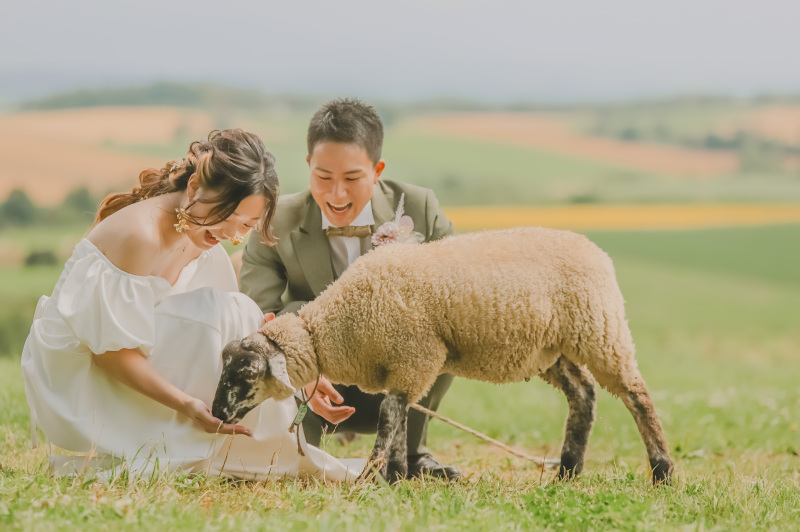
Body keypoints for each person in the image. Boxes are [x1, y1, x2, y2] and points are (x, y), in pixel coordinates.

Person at [21, 129, 362, 481]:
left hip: (139, 351)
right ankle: (221, 451)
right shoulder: (141, 236)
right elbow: (109, 353)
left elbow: (236, 334)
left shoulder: (200, 231)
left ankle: (252, 453)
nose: (232, 235)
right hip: (81, 375)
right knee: (230, 312)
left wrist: (294, 379)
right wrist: (186, 405)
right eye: (227, 215)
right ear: (196, 185)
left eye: (245, 225)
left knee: (241, 313)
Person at [239, 99, 462, 480]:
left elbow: (458, 292)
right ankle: (299, 444)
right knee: (294, 465)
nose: (336, 194)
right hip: (310, 379)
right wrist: (303, 368)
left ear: (377, 171)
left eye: (352, 178)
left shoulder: (420, 208)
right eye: (323, 178)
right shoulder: (274, 224)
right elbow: (258, 314)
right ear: (308, 165)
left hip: (398, 368)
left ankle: (410, 453)